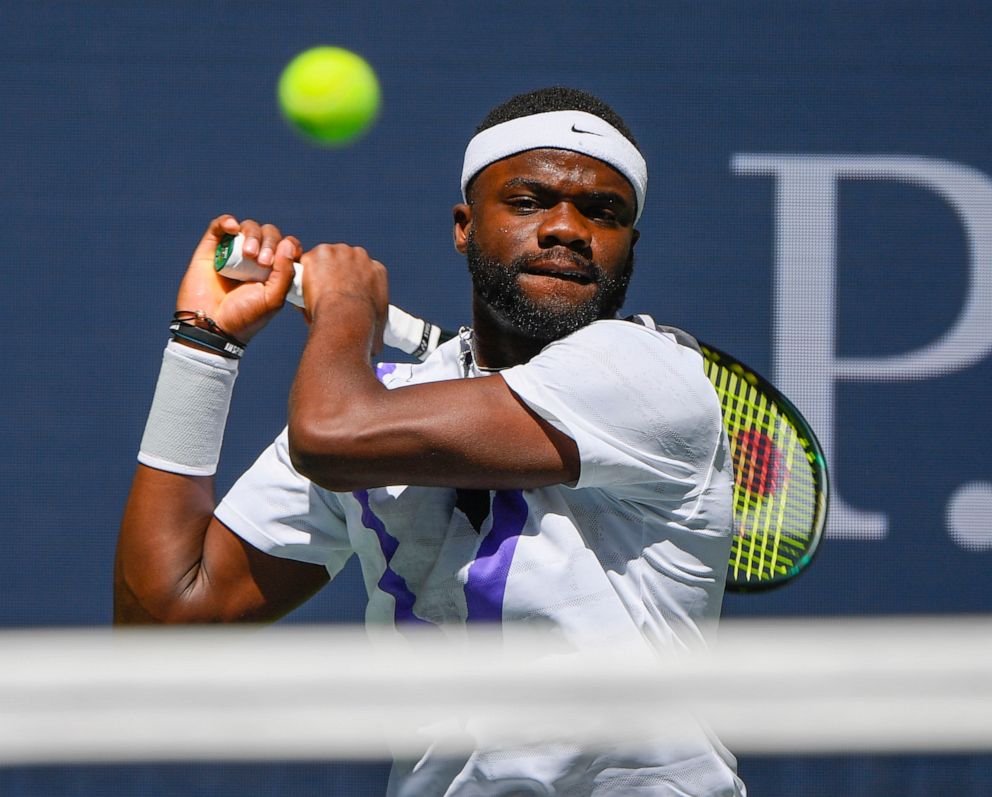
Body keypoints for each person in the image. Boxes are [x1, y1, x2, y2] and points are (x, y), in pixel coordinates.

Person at [115, 86, 746, 796]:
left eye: (604, 212)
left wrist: (348, 305)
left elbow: (331, 436)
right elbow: (165, 620)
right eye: (531, 200)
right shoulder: (381, 407)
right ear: (464, 226)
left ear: (629, 245)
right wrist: (205, 342)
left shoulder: (649, 374)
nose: (567, 227)